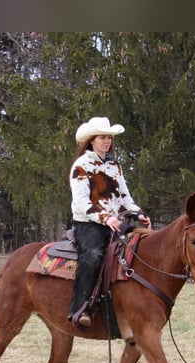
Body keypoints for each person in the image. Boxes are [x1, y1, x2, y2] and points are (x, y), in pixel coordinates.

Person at [68, 116, 150, 328]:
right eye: (103, 137)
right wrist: (106, 218)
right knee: (94, 255)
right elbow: (81, 203)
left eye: (109, 138)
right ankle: (81, 307)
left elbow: (124, 197)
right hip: (89, 223)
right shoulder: (81, 166)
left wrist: (138, 213)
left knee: (138, 251)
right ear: (92, 140)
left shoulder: (115, 166)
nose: (107, 141)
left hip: (115, 222)